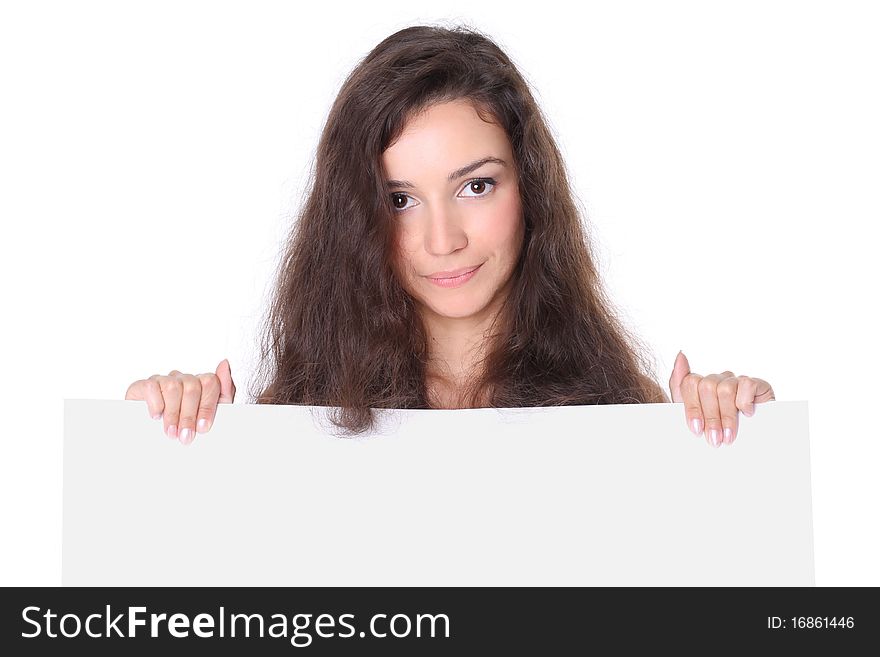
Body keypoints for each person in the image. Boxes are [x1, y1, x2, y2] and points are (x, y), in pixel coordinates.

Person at [125, 23, 775, 448]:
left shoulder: (621, 419)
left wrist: (730, 434)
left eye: (476, 185)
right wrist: (167, 433)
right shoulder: (296, 419)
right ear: (356, 219)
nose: (444, 239)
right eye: (400, 199)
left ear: (531, 187)